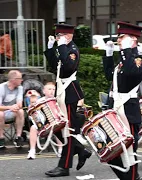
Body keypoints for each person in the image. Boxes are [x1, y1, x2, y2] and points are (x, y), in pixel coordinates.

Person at [44, 23, 92, 177]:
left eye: (60, 35)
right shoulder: (63, 47)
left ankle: (64, 166)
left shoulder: (72, 50)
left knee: (68, 130)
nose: (58, 38)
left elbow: (69, 66)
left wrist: (62, 47)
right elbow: (54, 67)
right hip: (62, 90)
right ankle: (80, 150)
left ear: (68, 35)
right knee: (59, 127)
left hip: (70, 91)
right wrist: (51, 49)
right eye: (57, 36)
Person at [103, 21, 142, 180]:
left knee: (128, 152)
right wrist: (108, 56)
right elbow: (110, 77)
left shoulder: (137, 58)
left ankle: (133, 178)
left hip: (128, 111)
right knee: (111, 152)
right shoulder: (124, 58)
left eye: (122, 37)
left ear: (133, 39)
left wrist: (127, 50)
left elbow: (131, 73)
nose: (118, 40)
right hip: (116, 109)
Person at [27, 82, 63, 159]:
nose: (52, 91)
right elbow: (32, 114)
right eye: (49, 89)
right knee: (33, 128)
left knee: (59, 127)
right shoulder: (39, 101)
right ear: (44, 91)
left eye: (54, 89)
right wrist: (32, 105)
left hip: (56, 121)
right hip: (43, 124)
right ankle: (32, 150)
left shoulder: (58, 100)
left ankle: (61, 149)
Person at [0, 70, 24, 148]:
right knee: (0, 114)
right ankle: (1, 138)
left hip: (13, 111)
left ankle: (18, 137)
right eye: (20, 78)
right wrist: (10, 107)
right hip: (3, 111)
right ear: (13, 80)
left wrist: (16, 107)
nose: (22, 80)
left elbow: (19, 103)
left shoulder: (20, 88)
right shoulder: (2, 88)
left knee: (21, 111)